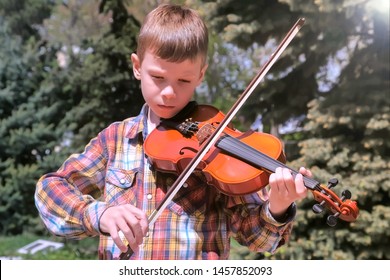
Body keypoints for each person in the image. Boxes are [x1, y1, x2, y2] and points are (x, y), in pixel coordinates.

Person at [35, 3, 311, 260]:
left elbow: (258, 241)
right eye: (158, 77)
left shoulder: (220, 144)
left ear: (201, 75)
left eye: (183, 80)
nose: (168, 93)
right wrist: (100, 214)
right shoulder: (116, 139)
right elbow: (50, 190)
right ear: (137, 67)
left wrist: (278, 206)